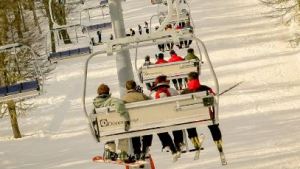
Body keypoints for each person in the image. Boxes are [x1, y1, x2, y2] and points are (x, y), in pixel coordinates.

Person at [93, 84, 133, 163]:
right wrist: (126, 118)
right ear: (108, 92)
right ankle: (122, 153)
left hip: (104, 128)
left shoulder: (95, 104)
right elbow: (119, 105)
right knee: (123, 133)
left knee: (109, 132)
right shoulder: (112, 100)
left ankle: (109, 152)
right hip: (117, 125)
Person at [180, 72, 215, 151]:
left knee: (189, 124)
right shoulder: (205, 88)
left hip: (191, 117)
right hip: (206, 116)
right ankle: (217, 140)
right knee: (213, 123)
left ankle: (195, 141)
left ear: (188, 80)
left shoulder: (184, 92)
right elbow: (213, 98)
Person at [151, 75, 183, 162]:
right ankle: (178, 142)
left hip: (161, 119)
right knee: (177, 123)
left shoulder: (153, 94)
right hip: (173, 116)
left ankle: (169, 145)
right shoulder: (172, 90)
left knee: (159, 128)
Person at [122, 80, 153, 161]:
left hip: (133, 122)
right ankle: (145, 148)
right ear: (135, 87)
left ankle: (137, 152)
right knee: (148, 130)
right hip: (143, 121)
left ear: (126, 88)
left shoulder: (124, 98)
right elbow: (151, 101)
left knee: (134, 133)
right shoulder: (141, 95)